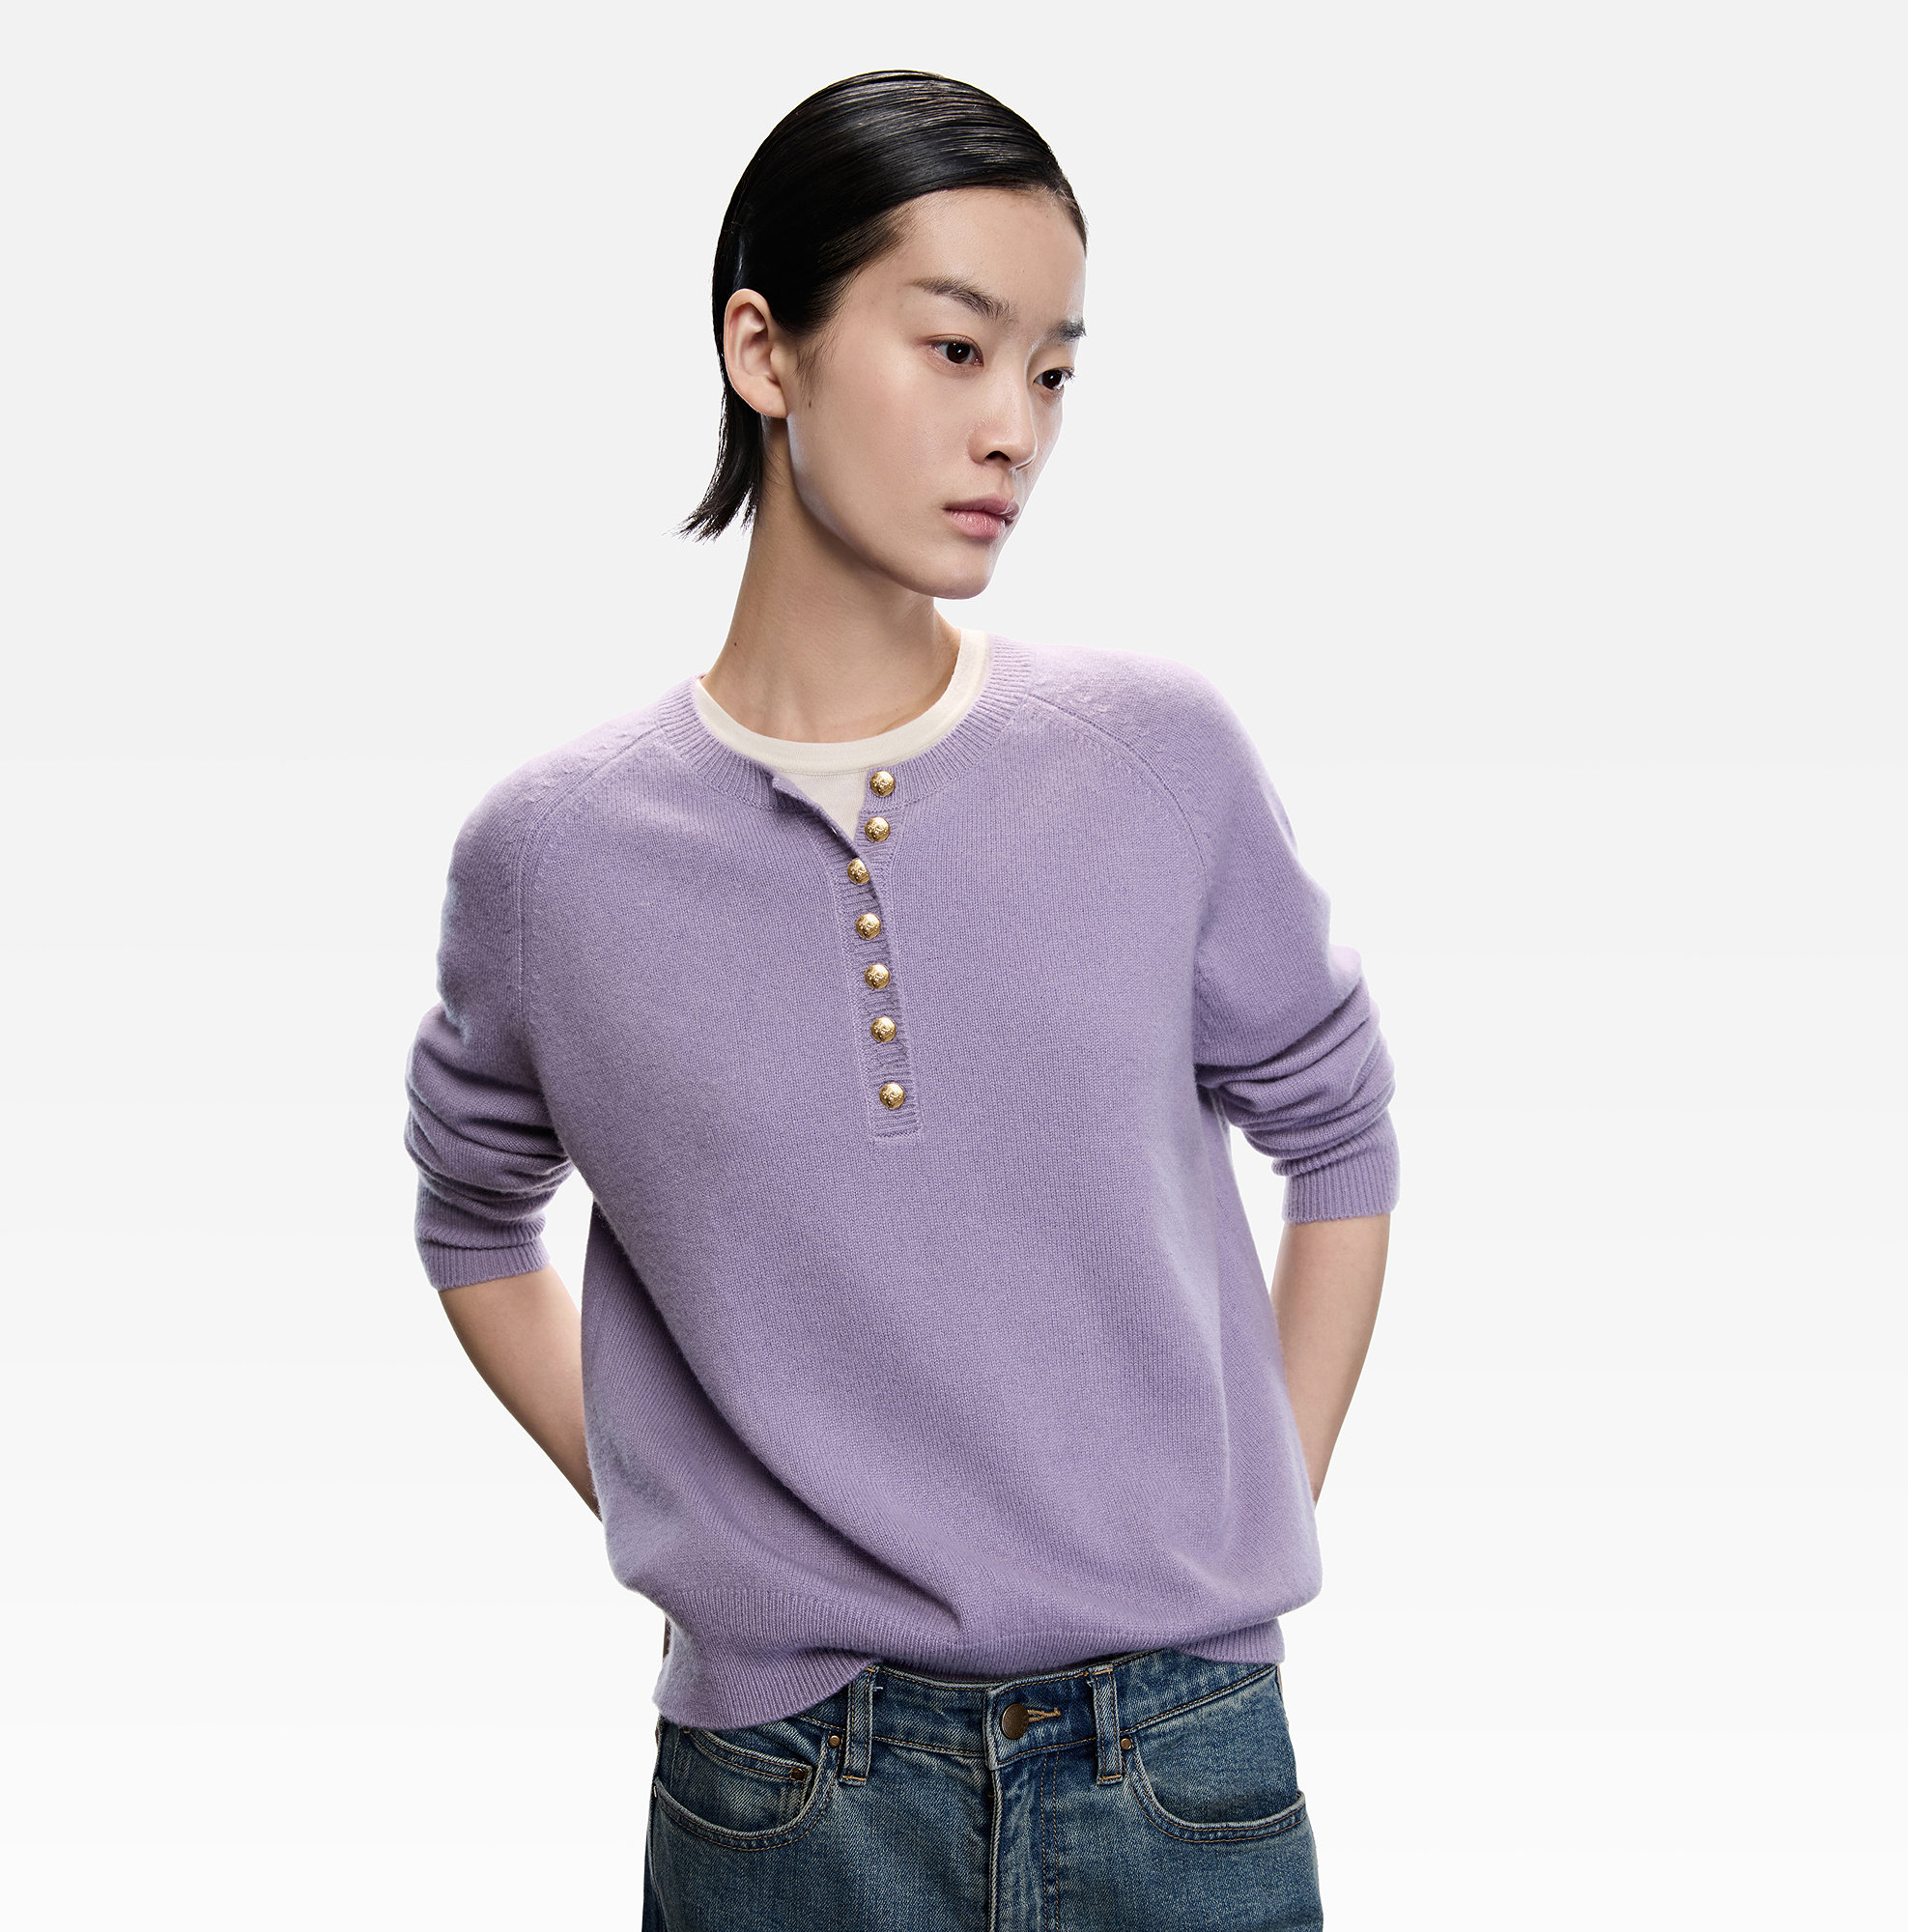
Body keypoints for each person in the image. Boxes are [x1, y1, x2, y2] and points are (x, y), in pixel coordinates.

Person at [404, 68, 1396, 1932]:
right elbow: (473, 1220)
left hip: (1180, 1768)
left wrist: (1247, 1519)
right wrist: (700, 1522)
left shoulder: (1154, 756)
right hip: (789, 1797)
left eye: (1053, 373)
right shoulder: (553, 860)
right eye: (955, 348)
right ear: (763, 351)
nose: (1012, 428)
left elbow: (1338, 1135)